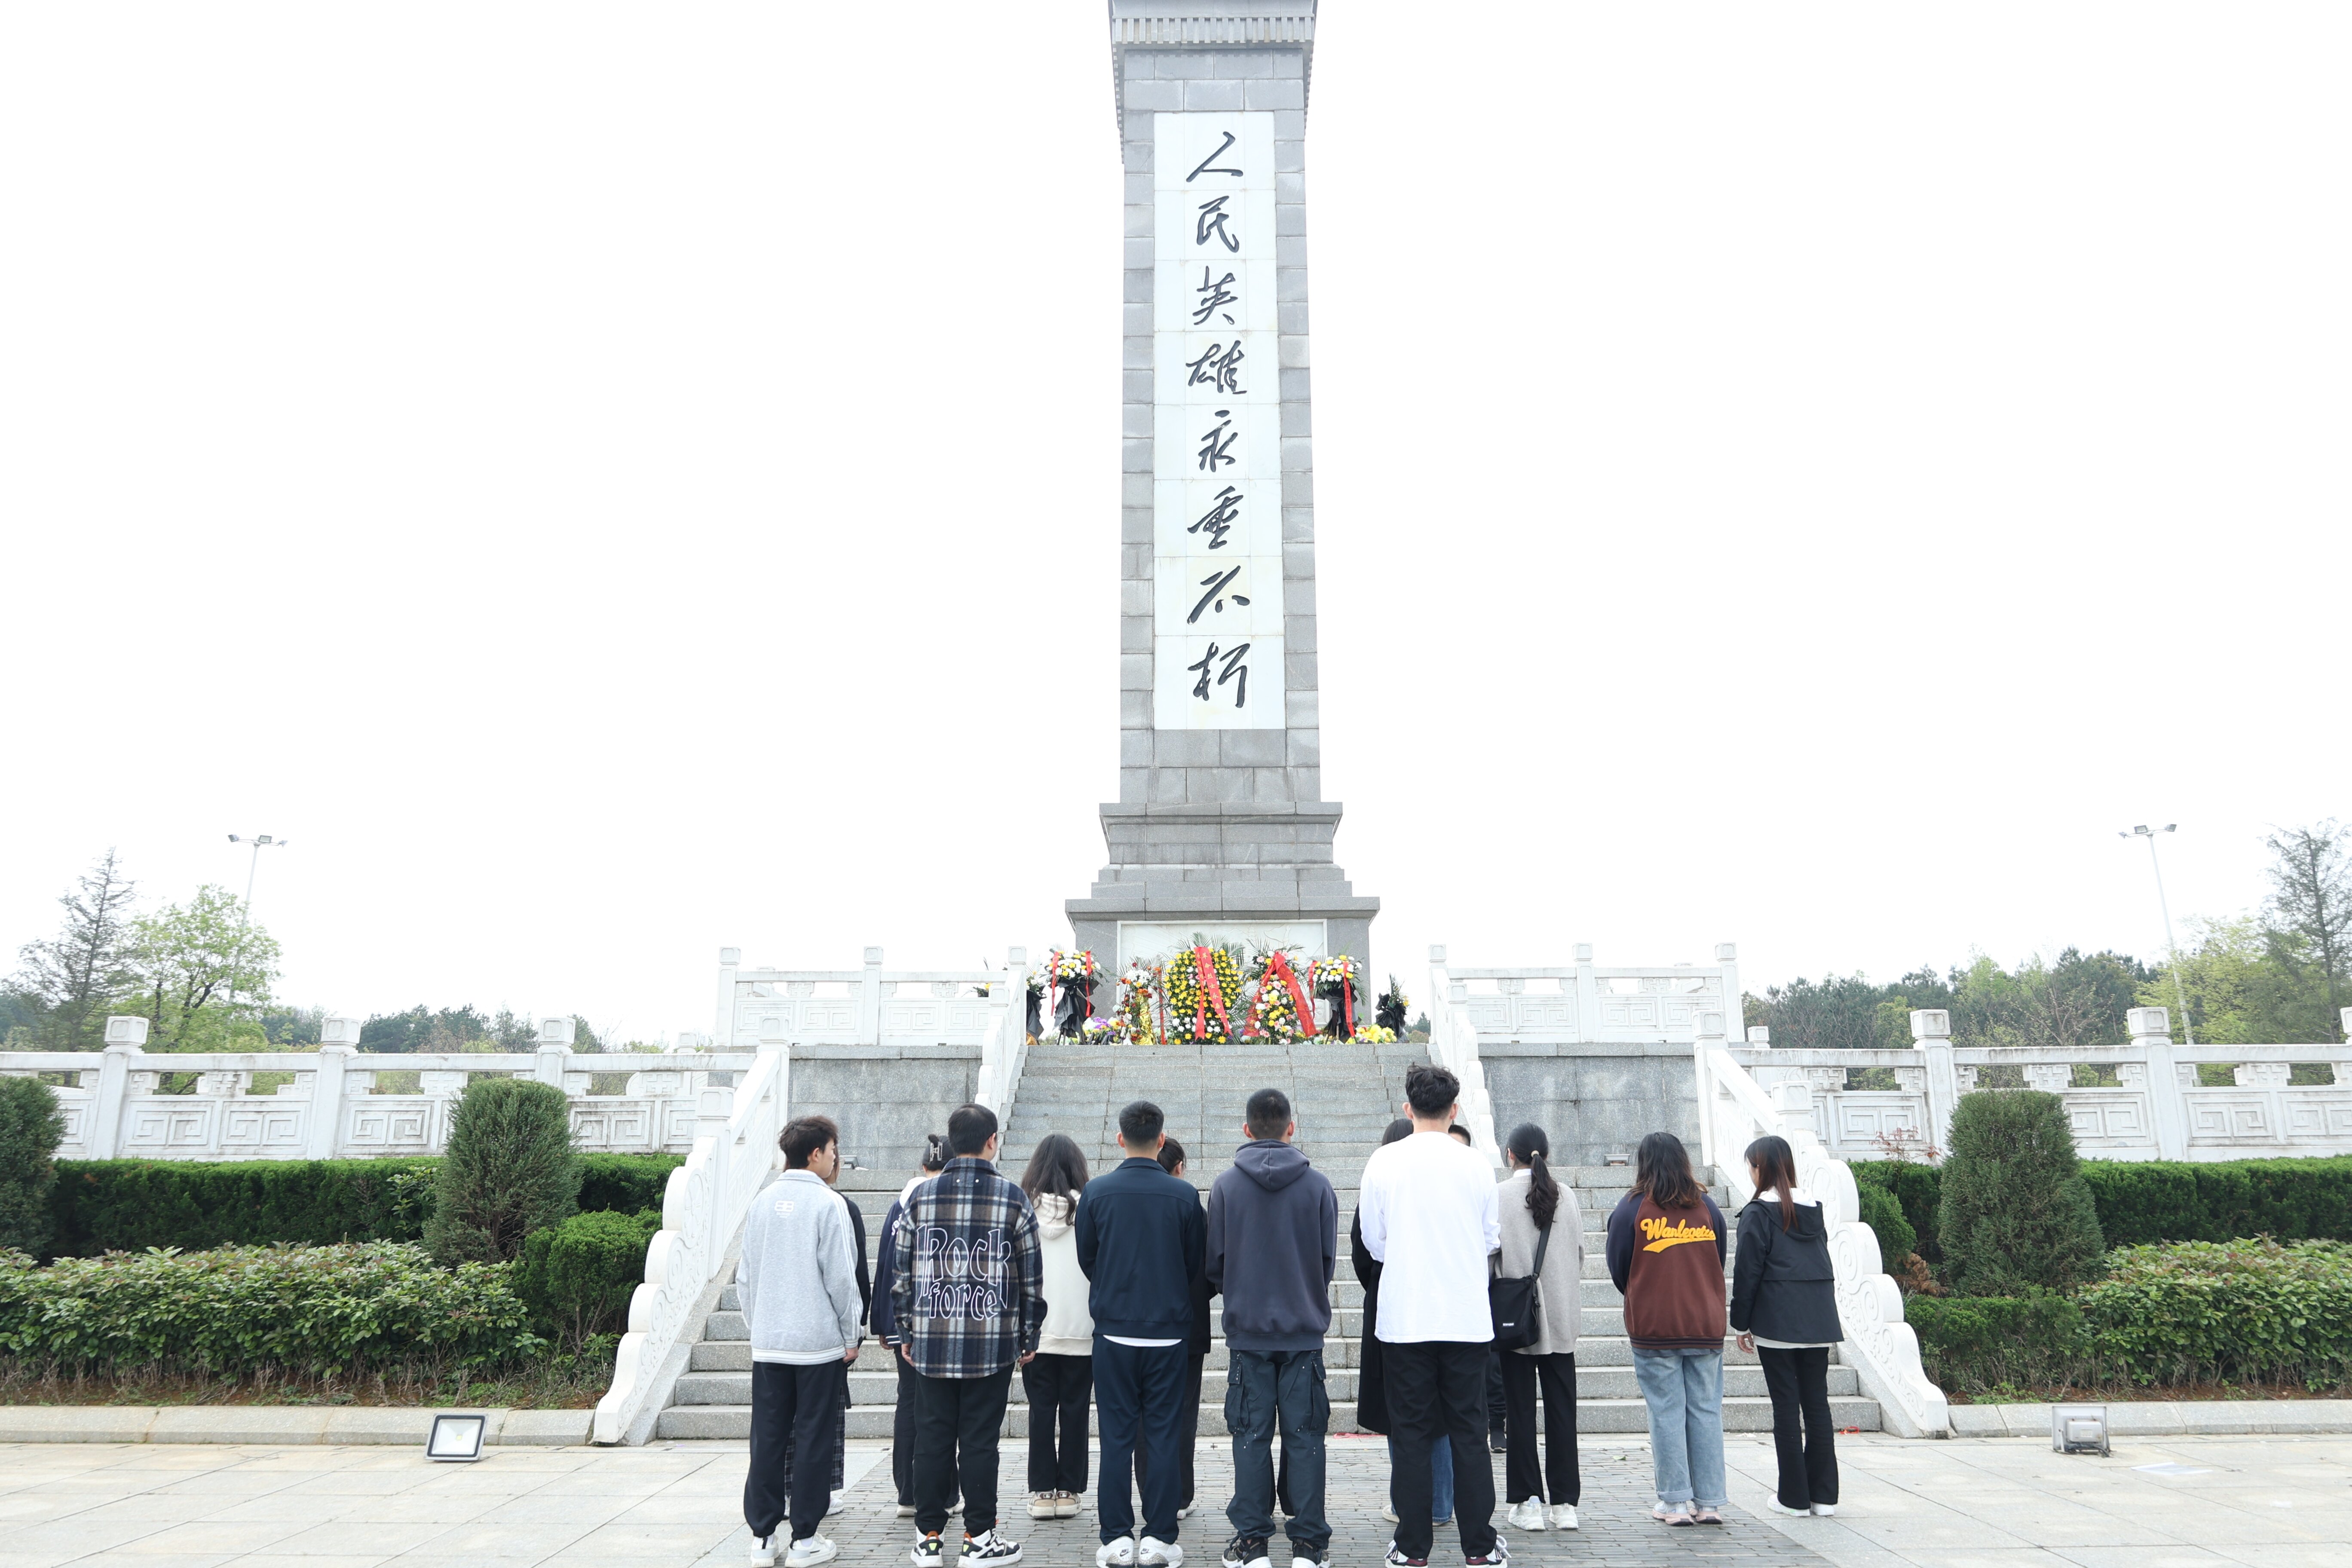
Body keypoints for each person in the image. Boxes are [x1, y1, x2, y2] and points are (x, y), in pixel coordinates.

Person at [1357, 1065, 1505, 1568]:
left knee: (1411, 1434)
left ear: (1408, 1108)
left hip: (1405, 1319)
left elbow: (1374, 1241)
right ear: (1454, 1110)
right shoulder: (1476, 1163)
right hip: (1465, 1318)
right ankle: (1480, 1547)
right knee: (1470, 1433)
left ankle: (1412, 1547)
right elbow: (1490, 1239)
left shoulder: (1384, 1161)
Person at [887, 1102, 1044, 1568]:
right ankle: (979, 1538)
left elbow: (900, 1274)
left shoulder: (920, 1198)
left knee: (932, 1438)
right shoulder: (1013, 1198)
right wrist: (1029, 1336)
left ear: (953, 1143)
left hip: (931, 1342)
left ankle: (928, 1539)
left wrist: (906, 1330)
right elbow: (1031, 1280)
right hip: (991, 1343)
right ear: (992, 1141)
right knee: (980, 1442)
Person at [1209, 1087, 1338, 1568]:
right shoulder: (1318, 1186)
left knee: (1250, 1434)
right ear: (1291, 1127)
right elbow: (1326, 1261)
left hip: (1248, 1332)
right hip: (1303, 1331)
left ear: (1247, 1129)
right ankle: (1308, 1545)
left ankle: (1252, 1542)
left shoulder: (1226, 1186)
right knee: (1306, 1436)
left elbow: (1215, 1263)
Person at [1076, 1100, 1207, 1568]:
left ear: (1120, 1139)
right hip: (1168, 1334)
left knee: (1116, 1437)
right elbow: (1194, 1265)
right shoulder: (1184, 1196)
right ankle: (1158, 1538)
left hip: (1114, 1332)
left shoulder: (1096, 1193)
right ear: (1161, 1139)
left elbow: (1088, 1258)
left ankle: (1116, 1538)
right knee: (1164, 1435)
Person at [741, 1115, 865, 1568]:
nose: (835, 1159)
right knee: (813, 1439)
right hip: (817, 1345)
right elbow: (842, 1279)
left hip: (770, 1343)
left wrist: (761, 1326)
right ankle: (805, 1541)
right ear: (816, 1154)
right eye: (832, 1151)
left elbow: (746, 1277)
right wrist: (851, 1333)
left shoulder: (761, 1202)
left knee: (767, 1439)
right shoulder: (829, 1204)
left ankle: (762, 1538)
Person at [1606, 1131, 1729, 1528]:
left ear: (1643, 1164)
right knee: (1706, 1410)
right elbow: (1719, 1258)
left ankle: (1675, 1503)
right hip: (1705, 1324)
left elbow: (1619, 1266)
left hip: (1655, 1326)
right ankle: (1709, 1502)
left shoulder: (1632, 1209)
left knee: (1666, 1412)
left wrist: (1645, 1292)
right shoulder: (1707, 1206)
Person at [1729, 1134, 1844, 1519]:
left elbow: (1748, 1272)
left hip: (1777, 1319)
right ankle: (1824, 1498)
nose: (1750, 1172)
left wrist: (1740, 1323)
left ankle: (1793, 1499)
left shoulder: (1758, 1213)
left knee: (1786, 1407)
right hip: (1818, 1318)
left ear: (1759, 1168)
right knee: (1817, 1405)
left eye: (1751, 1166)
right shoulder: (1813, 1208)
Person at [1357, 1120, 1453, 1534]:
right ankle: (1442, 1504)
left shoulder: (1379, 1184)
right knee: (1441, 1411)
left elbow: (1364, 1253)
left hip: (1392, 1307)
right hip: (1442, 1307)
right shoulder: (1440, 1185)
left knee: (1401, 1410)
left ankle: (1406, 1503)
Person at [1493, 1124, 1582, 1534]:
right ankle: (1565, 1506)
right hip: (1561, 1319)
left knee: (1520, 1412)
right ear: (1546, 1153)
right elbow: (1579, 1255)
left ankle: (1528, 1504)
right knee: (1563, 1413)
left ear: (1510, 1154)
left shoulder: (1499, 1196)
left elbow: (1489, 1257)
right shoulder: (1567, 1196)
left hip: (1517, 1321)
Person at [1135, 1138, 1210, 1521]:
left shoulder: (1130, 1198)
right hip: (1187, 1324)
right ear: (1179, 1166)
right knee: (1182, 1412)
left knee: (1144, 1413)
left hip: (1137, 1323)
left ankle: (1149, 1490)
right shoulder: (1189, 1202)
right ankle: (1179, 1494)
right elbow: (1206, 1266)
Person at [876, 1135, 951, 1518]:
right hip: (938, 1318)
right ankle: (944, 1494)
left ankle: (907, 1492)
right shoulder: (945, 1202)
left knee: (908, 1401)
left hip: (900, 1317)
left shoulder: (900, 1204)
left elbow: (886, 1263)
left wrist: (881, 1322)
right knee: (941, 1408)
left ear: (923, 1167)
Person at [1021, 1133, 1095, 1521]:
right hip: (1082, 1330)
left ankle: (1041, 1492)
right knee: (1076, 1411)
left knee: (1041, 1411)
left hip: (1038, 1331)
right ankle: (1068, 1491)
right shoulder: (1090, 1208)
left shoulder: (1024, 1210)